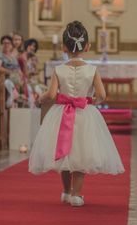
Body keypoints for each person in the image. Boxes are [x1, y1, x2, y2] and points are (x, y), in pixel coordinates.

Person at [28, 21, 124, 207]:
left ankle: (65, 192)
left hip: (61, 114)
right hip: (84, 113)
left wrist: (41, 98)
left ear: (64, 47)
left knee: (64, 154)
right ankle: (76, 195)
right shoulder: (92, 70)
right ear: (87, 46)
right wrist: (91, 101)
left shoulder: (58, 69)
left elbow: (52, 94)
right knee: (81, 153)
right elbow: (102, 95)